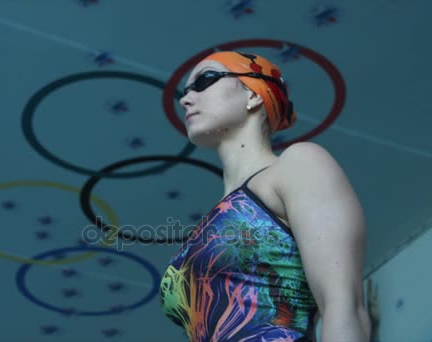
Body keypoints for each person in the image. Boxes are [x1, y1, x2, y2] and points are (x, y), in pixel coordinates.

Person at [159, 51, 371, 342]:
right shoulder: (208, 226)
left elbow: (344, 305)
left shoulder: (300, 164)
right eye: (185, 91)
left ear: (254, 95)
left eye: (205, 80)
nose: (186, 99)